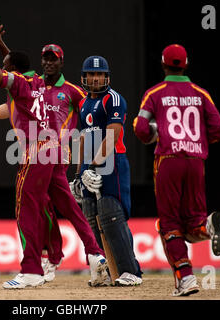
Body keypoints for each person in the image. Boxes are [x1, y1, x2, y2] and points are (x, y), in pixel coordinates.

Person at [0, 20, 108, 289]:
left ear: (61, 62)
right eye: (44, 59)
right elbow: (18, 69)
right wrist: (1, 45)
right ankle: (94, 254)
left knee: (28, 209)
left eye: (53, 59)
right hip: (48, 152)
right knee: (64, 208)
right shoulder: (34, 83)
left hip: (42, 153)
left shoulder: (63, 89)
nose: (48, 63)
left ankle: (32, 268)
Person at [133, 44, 220, 296]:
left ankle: (186, 278)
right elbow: (218, 130)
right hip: (196, 161)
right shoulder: (201, 93)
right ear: (186, 64)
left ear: (163, 64)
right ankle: (207, 227)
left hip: (168, 159)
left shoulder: (155, 93)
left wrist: (156, 133)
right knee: (193, 221)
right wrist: (195, 140)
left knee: (169, 224)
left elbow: (141, 129)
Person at [73, 55, 143, 286]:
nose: (95, 78)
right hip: (88, 167)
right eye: (91, 74)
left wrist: (94, 166)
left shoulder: (113, 99)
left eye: (99, 74)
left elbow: (112, 135)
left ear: (107, 76)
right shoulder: (83, 103)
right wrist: (78, 173)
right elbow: (82, 139)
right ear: (84, 77)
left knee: (111, 214)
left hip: (111, 163)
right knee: (91, 219)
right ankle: (105, 273)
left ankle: (130, 271)